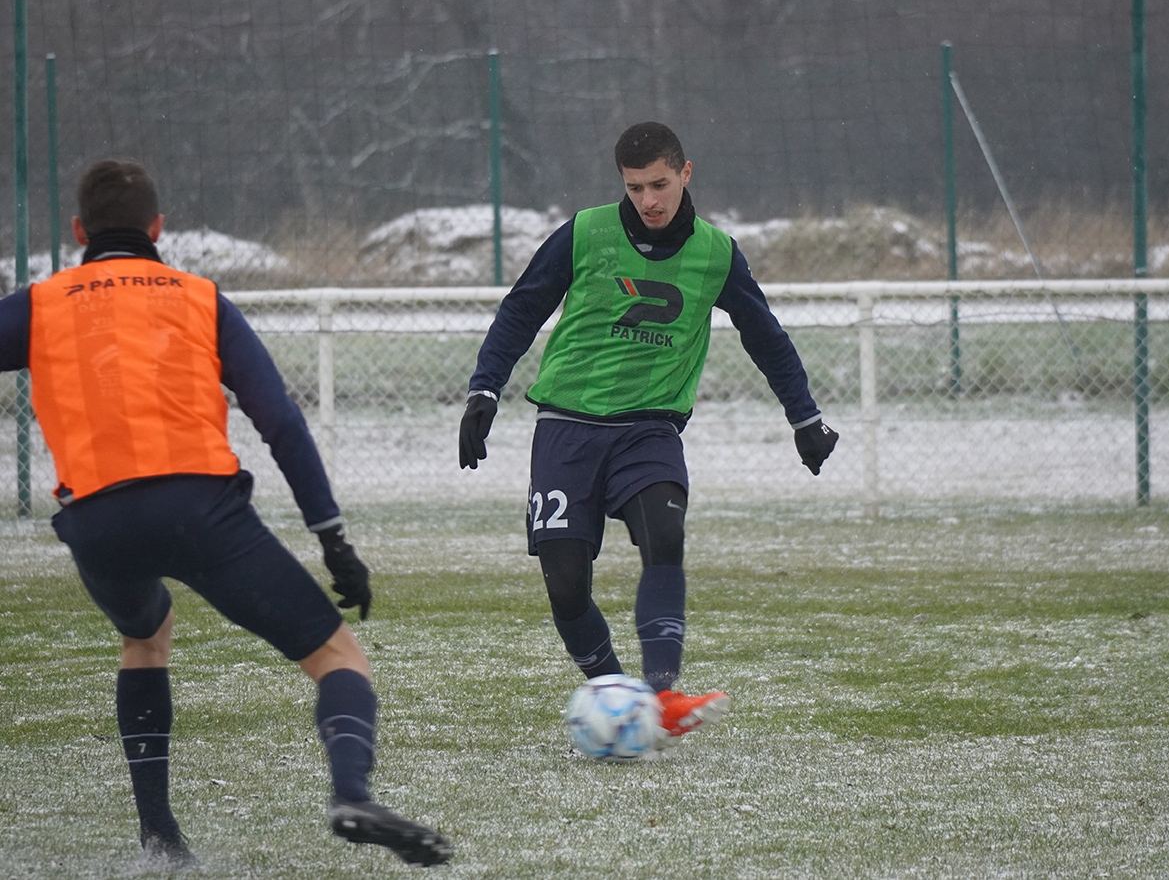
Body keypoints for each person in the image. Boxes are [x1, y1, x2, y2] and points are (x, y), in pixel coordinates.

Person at [0, 159, 452, 868]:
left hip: (96, 521)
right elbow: (281, 421)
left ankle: (160, 836)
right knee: (338, 656)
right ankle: (351, 793)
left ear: (80, 231)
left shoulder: (40, 303)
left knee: (147, 635)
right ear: (158, 228)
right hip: (199, 508)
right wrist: (332, 541)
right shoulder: (199, 298)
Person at [458, 122, 838, 747]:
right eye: (635, 188)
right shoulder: (584, 234)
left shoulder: (716, 254)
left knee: (665, 534)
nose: (649, 201)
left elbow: (765, 336)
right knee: (565, 585)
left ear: (686, 173)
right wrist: (483, 390)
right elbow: (521, 308)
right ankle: (621, 702)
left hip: (649, 430)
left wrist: (804, 417)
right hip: (566, 428)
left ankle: (662, 694)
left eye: (659, 184)